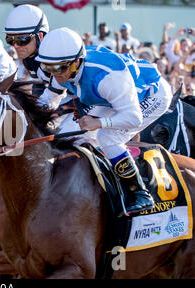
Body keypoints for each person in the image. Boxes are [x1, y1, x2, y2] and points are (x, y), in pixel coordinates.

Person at [36, 27, 173, 216]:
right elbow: (46, 103)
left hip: (152, 94)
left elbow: (133, 118)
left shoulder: (106, 79)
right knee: (68, 131)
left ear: (77, 62)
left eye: (59, 68)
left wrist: (99, 123)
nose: (54, 74)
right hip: (110, 97)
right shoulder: (62, 68)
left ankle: (139, 192)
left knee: (107, 136)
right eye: (47, 68)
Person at [3, 4, 50, 94]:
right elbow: (39, 87)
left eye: (22, 39)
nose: (15, 46)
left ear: (40, 36)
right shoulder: (28, 60)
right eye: (10, 40)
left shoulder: (55, 55)